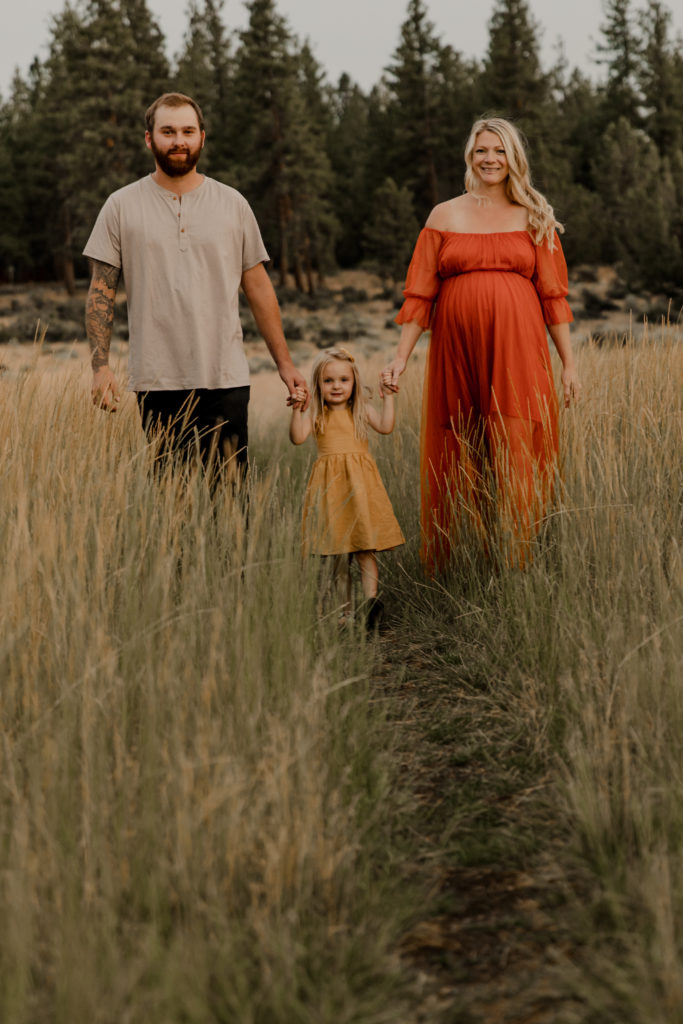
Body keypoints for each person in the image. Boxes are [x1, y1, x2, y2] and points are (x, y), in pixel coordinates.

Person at [381, 117, 580, 569]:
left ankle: (516, 555)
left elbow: (553, 296)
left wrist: (568, 364)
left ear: (514, 158)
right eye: (481, 151)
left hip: (518, 347)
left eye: (499, 151)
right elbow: (420, 294)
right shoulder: (443, 215)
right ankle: (464, 552)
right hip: (457, 347)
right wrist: (399, 358)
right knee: (462, 438)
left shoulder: (534, 216)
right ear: (470, 157)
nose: (490, 159)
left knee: (513, 439)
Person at [83, 91, 307, 478]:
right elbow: (101, 290)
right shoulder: (121, 205)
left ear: (202, 136)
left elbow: (257, 288)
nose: (179, 141)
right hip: (156, 379)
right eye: (168, 131)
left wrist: (284, 364)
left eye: (188, 131)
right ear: (149, 138)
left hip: (225, 376)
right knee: (174, 505)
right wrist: (99, 367)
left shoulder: (232, 203)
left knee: (232, 502)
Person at [290, 347, 404, 627]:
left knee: (365, 548)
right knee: (338, 555)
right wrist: (296, 410)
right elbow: (297, 437)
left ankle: (371, 607)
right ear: (318, 384)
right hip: (330, 491)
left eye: (343, 380)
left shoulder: (361, 411)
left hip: (361, 488)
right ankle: (345, 614)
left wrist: (388, 398)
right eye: (328, 381)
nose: (337, 386)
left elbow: (387, 427)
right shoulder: (317, 413)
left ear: (354, 382)